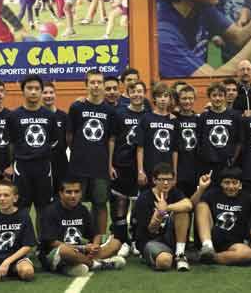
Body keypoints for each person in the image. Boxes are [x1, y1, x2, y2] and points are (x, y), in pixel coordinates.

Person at [38, 178, 125, 276]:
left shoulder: (82, 210)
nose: (73, 196)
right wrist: (83, 248)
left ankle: (74, 265)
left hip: (79, 253)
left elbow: (96, 234)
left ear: (81, 193)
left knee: (115, 242)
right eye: (69, 192)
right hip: (57, 253)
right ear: (61, 194)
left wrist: (94, 246)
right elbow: (52, 243)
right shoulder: (49, 212)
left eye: (76, 192)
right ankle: (97, 264)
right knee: (64, 250)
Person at [5, 75, 58, 238]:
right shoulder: (14, 116)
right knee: (22, 208)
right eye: (29, 88)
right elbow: (11, 143)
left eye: (37, 89)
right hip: (22, 168)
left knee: (44, 209)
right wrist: (11, 164)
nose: (33, 92)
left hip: (43, 168)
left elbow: (53, 141)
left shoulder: (49, 116)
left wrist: (41, 153)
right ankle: (22, 242)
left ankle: (43, 243)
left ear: (41, 92)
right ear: (23, 91)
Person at [67, 70, 116, 237]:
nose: (96, 85)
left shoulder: (109, 111)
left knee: (100, 204)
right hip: (79, 166)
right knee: (75, 204)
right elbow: (70, 136)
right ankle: (76, 237)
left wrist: (109, 165)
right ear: (86, 85)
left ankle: (100, 239)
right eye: (92, 82)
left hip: (100, 166)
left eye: (99, 82)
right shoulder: (76, 107)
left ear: (102, 85)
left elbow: (110, 140)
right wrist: (77, 154)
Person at [108, 81, 148, 256]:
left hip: (142, 168)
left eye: (140, 91)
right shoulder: (119, 113)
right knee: (120, 203)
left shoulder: (149, 115)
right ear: (128, 93)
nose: (137, 94)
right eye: (133, 91)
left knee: (139, 204)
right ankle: (121, 239)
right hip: (121, 164)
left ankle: (136, 239)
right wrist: (109, 164)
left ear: (144, 93)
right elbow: (111, 140)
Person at [132, 163, 193, 271]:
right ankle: (155, 256)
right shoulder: (144, 199)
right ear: (154, 180)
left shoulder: (175, 193)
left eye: (169, 179)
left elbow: (188, 205)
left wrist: (167, 208)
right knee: (164, 262)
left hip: (170, 238)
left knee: (182, 211)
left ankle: (180, 254)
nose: (166, 183)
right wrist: (158, 215)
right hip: (151, 240)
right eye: (161, 179)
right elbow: (151, 230)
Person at [192, 167, 251, 265]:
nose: (230, 186)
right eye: (227, 182)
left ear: (240, 185)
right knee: (201, 205)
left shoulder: (248, 198)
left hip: (233, 243)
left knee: (247, 253)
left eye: (234, 183)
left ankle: (210, 258)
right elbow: (191, 205)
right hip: (210, 238)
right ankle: (207, 247)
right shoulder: (212, 194)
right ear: (221, 183)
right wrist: (201, 189)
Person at [136, 82, 179, 186]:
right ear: (154, 99)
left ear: (170, 99)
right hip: (150, 168)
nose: (163, 99)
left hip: (167, 171)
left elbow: (175, 150)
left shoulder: (174, 121)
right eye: (159, 96)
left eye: (165, 96)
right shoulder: (146, 118)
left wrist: (175, 172)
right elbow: (140, 148)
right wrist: (140, 171)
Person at [197, 82, 241, 177]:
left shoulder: (234, 116)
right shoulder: (203, 116)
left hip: (227, 163)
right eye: (214, 95)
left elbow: (239, 140)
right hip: (208, 163)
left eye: (220, 95)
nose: (217, 98)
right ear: (209, 97)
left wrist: (233, 158)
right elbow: (199, 140)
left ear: (225, 97)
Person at [42, 82, 69, 192]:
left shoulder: (64, 116)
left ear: (55, 94)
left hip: (60, 163)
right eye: (45, 93)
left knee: (61, 196)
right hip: (42, 162)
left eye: (51, 92)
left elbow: (68, 140)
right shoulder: (36, 115)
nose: (48, 95)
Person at [175, 85, 201, 198]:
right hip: (179, 170)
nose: (187, 101)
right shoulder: (173, 119)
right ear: (178, 100)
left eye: (190, 98)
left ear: (195, 99)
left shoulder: (200, 120)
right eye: (184, 98)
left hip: (195, 170)